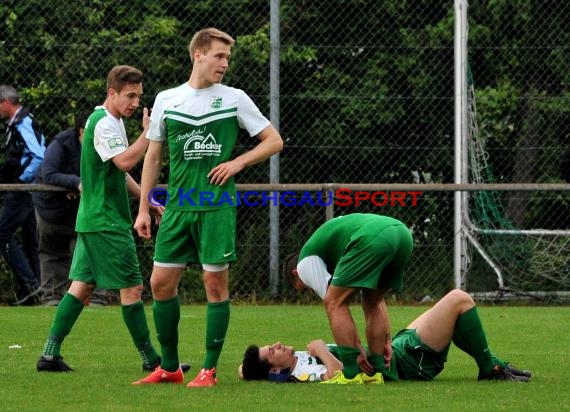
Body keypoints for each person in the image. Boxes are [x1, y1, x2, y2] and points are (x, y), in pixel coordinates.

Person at [133, 27, 283, 387]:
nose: (225, 64)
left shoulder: (234, 98)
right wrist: (143, 207)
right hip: (179, 207)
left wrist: (237, 163)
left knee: (214, 284)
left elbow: (273, 140)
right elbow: (153, 157)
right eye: (219, 56)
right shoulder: (168, 99)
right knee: (160, 283)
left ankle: (208, 371)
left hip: (216, 206)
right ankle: (169, 367)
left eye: (227, 58)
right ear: (198, 54)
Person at [36, 65, 166, 373]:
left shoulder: (112, 120)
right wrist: (148, 133)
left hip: (93, 219)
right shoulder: (104, 123)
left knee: (80, 288)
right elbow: (124, 162)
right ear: (112, 93)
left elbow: (118, 174)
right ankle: (151, 360)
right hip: (107, 222)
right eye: (130, 96)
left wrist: (146, 199)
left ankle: (49, 355)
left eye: (139, 96)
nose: (135, 103)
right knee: (132, 289)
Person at [240, 289, 532, 383]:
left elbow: (246, 370)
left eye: (272, 345)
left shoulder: (289, 364)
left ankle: (492, 364)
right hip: (408, 363)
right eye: (272, 351)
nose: (277, 345)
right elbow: (342, 376)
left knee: (453, 309)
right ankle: (490, 368)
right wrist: (321, 349)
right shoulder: (301, 373)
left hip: (398, 349)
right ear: (276, 369)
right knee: (459, 300)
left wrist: (250, 368)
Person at [283, 213, 414, 384]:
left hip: (373, 236)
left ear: (296, 275)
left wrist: (356, 350)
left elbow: (335, 302)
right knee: (372, 300)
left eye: (305, 287)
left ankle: (351, 374)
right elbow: (377, 303)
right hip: (402, 234)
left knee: (333, 301)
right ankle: (381, 370)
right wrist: (385, 341)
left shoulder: (303, 265)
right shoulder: (331, 251)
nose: (311, 288)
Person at [32, 114, 113, 306]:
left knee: (93, 250)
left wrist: (81, 187)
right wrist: (76, 183)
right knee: (52, 253)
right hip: (51, 209)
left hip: (84, 210)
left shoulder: (104, 146)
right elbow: (49, 173)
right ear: (82, 131)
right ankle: (52, 298)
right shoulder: (61, 144)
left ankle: (97, 298)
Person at [0, 85, 46, 305]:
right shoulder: (19, 122)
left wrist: (21, 180)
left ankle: (32, 286)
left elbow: (38, 155)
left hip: (23, 189)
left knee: (2, 235)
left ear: (5, 103)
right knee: (30, 240)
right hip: (26, 190)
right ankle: (37, 292)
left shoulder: (23, 123)